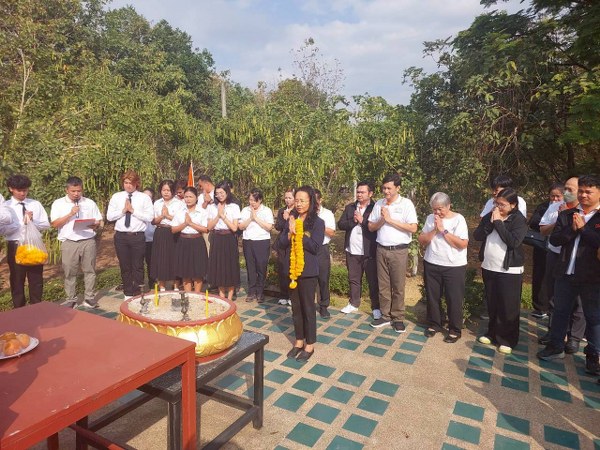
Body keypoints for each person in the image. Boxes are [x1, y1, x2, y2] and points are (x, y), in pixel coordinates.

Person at [537, 175, 600, 379]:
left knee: (593, 317)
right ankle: (556, 346)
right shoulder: (567, 214)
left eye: (588, 191)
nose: (583, 195)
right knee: (560, 311)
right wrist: (572, 230)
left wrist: (583, 229)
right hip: (565, 272)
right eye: (581, 191)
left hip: (592, 277)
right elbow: (555, 239)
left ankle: (593, 356)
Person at [474, 188, 527, 355]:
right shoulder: (491, 215)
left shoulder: (518, 220)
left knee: (508, 306)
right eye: (496, 203)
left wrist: (498, 222)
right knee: (493, 302)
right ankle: (492, 333)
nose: (498, 207)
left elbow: (513, 242)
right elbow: (477, 235)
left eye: (502, 205)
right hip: (489, 266)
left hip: (509, 270)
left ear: (513, 205)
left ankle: (508, 339)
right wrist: (490, 222)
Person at [538, 177, 586, 353]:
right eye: (565, 188)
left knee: (579, 300)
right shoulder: (556, 207)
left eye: (570, 189)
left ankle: (574, 337)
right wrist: (559, 218)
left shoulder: (587, 212)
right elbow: (544, 230)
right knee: (555, 294)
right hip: (556, 255)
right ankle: (554, 332)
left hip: (579, 259)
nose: (566, 193)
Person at [278, 185, 325, 362]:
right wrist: (289, 233)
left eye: (302, 201)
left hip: (308, 271)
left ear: (311, 201)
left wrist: (299, 233)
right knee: (296, 308)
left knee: (308, 308)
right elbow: (281, 243)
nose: (298, 204)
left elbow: (315, 247)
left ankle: (309, 344)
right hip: (292, 271)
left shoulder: (318, 223)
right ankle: (299, 341)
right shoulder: (291, 219)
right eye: (296, 200)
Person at [368, 173, 418, 333]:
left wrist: (390, 220)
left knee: (398, 286)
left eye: (389, 188)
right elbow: (371, 226)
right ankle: (385, 315)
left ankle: (398, 318)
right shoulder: (379, 204)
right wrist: (382, 220)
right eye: (384, 188)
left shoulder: (406, 204)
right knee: (383, 285)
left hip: (399, 251)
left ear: (398, 188)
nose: (386, 191)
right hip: (381, 249)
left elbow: (413, 228)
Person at [418, 192, 469, 343]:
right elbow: (422, 240)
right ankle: (434, 323)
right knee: (433, 296)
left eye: (440, 209)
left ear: (449, 206)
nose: (437, 212)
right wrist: (435, 229)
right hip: (432, 262)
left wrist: (443, 230)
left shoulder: (458, 219)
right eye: (434, 209)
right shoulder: (430, 218)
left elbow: (462, 244)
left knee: (454, 298)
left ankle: (454, 329)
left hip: (453, 266)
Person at [50, 176, 103, 308]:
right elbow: (54, 224)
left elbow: (99, 220)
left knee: (90, 270)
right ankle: (71, 299)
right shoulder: (58, 203)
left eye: (79, 191)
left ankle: (89, 297)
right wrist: (70, 214)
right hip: (69, 242)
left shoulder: (89, 203)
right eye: (73, 191)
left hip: (88, 240)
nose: (76, 194)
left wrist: (96, 224)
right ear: (67, 190)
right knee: (69, 272)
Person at [4, 174, 51, 308]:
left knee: (36, 279)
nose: (23, 193)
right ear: (11, 189)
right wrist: (23, 223)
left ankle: (36, 308)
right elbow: (3, 230)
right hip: (16, 245)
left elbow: (45, 224)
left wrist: (32, 221)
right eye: (19, 190)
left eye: (25, 190)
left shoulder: (35, 204)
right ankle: (19, 310)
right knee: (17, 280)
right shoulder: (6, 207)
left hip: (33, 245)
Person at [106, 170, 154, 299]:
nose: (128, 185)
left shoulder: (144, 198)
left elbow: (150, 217)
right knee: (125, 265)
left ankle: (138, 293)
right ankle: (127, 292)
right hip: (121, 236)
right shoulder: (117, 196)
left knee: (138, 266)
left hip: (137, 236)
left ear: (136, 183)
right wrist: (123, 211)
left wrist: (133, 211)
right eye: (126, 182)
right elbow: (109, 217)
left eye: (131, 183)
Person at [337, 181, 379, 316]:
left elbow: (377, 228)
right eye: (358, 192)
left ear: (370, 193)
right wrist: (353, 221)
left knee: (373, 280)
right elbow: (341, 224)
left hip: (369, 251)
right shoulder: (350, 207)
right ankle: (354, 303)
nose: (359, 194)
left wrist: (362, 221)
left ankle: (376, 307)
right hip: (352, 250)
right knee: (354, 279)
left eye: (362, 192)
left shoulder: (375, 208)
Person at [528, 183, 564, 319]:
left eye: (558, 196)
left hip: (559, 249)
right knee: (540, 275)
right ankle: (540, 307)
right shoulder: (544, 207)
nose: (554, 199)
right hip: (542, 245)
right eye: (552, 196)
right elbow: (534, 222)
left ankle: (553, 308)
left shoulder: (567, 208)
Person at [207, 181, 241, 301]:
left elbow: (234, 228)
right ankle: (221, 297)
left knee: (230, 266)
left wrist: (223, 216)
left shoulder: (234, 207)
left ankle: (230, 298)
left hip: (229, 238)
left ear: (227, 192)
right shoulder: (212, 207)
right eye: (217, 193)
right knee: (219, 267)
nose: (219, 195)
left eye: (222, 193)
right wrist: (218, 215)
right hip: (217, 238)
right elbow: (209, 227)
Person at [171, 187, 209, 292]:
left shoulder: (202, 212)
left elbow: (205, 229)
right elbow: (173, 229)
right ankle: (188, 295)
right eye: (186, 197)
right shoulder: (180, 212)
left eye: (191, 197)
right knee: (185, 272)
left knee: (198, 271)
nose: (188, 199)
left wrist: (191, 223)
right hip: (183, 241)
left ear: (196, 198)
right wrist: (185, 223)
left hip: (197, 241)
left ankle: (196, 295)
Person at [239, 188, 274, 303]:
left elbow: (269, 227)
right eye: (250, 200)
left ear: (260, 200)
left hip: (262, 241)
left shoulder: (266, 210)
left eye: (255, 200)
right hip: (248, 241)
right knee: (250, 267)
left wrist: (256, 218)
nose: (252, 203)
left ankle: (260, 291)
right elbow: (241, 226)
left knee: (261, 267)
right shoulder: (245, 210)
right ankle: (251, 291)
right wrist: (250, 217)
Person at [150, 180, 185, 291]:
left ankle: (176, 285)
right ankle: (162, 286)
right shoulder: (157, 203)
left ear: (173, 191)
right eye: (163, 190)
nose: (166, 192)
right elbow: (153, 221)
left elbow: (181, 220)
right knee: (161, 258)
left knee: (174, 258)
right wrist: (162, 216)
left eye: (168, 190)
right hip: (160, 232)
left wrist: (168, 215)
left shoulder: (179, 203)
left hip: (173, 232)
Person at [314, 189, 336, 319]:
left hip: (322, 249)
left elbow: (332, 232)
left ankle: (323, 306)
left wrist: (318, 224)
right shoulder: (304, 214)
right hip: (308, 249)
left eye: (315, 200)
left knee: (323, 278)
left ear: (320, 200)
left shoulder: (327, 214)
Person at [274, 189, 295, 305]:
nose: (287, 200)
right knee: (282, 269)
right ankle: (283, 295)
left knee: (291, 270)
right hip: (282, 243)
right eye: (286, 198)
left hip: (293, 243)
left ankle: (292, 295)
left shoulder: (297, 211)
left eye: (290, 198)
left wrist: (288, 218)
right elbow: (278, 226)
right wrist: (284, 218)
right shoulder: (282, 210)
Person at [143, 187, 156, 290]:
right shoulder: (137, 208)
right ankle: (139, 283)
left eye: (149, 197)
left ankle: (152, 282)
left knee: (151, 262)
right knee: (137, 263)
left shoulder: (155, 209)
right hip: (139, 239)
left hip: (151, 240)